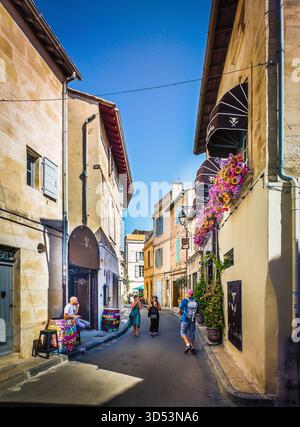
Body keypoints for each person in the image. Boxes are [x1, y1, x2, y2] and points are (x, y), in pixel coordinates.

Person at [179, 289, 199, 354]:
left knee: (182, 332)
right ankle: (192, 347)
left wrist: (181, 310)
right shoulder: (195, 300)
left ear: (188, 294)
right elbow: (198, 309)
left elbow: (180, 307)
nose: (186, 294)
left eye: (186, 293)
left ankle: (188, 345)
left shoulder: (185, 300)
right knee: (192, 333)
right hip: (193, 319)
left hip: (185, 319)